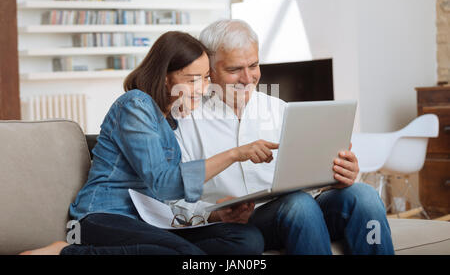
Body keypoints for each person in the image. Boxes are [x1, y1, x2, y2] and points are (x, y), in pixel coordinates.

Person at [20, 31, 276, 255]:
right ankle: (65, 252)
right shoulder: (135, 105)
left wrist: (213, 214)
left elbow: (170, 199)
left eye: (206, 78)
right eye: (192, 80)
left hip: (151, 222)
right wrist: (235, 154)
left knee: (247, 240)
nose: (203, 88)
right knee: (181, 252)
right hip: (104, 217)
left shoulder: (172, 121)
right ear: (165, 78)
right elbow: (165, 183)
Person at [169, 20, 395, 255]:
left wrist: (335, 178)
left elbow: (309, 184)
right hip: (245, 228)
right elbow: (170, 203)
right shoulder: (186, 121)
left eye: (254, 65)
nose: (248, 79)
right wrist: (213, 213)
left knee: (364, 196)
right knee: (299, 205)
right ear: (209, 71)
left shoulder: (280, 110)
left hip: (300, 213)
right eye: (234, 69)